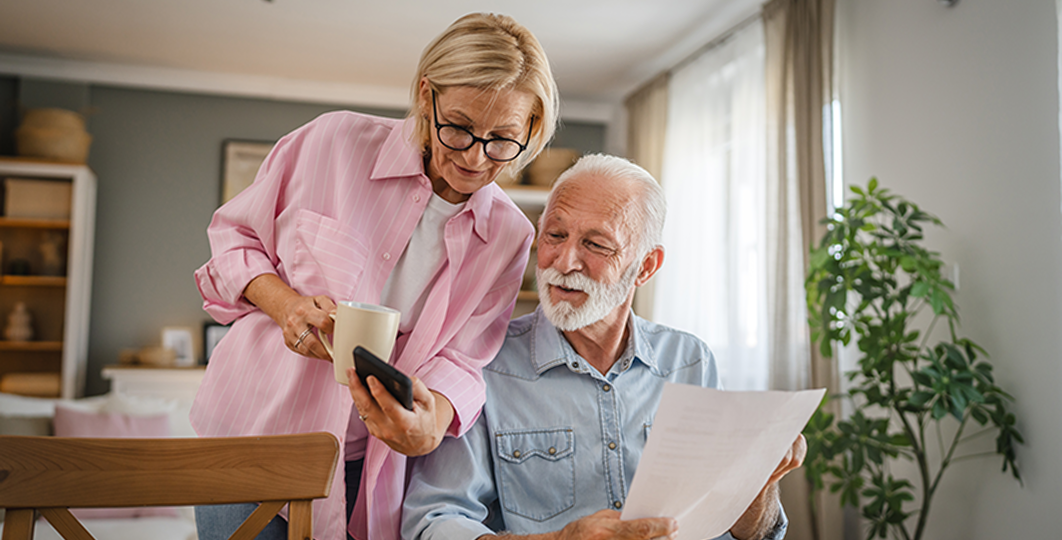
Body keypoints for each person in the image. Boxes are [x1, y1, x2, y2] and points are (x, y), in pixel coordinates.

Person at [190, 13, 558, 540]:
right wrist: (286, 305)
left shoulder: (507, 236)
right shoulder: (332, 142)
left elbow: (465, 358)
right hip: (252, 435)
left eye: (502, 140)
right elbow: (233, 242)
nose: (475, 158)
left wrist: (433, 424)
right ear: (426, 95)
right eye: (457, 127)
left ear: (532, 130)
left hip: (371, 467)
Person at [402, 154, 807, 540]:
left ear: (645, 267)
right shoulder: (482, 363)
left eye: (596, 245)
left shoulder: (690, 361)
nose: (564, 262)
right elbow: (433, 524)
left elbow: (748, 531)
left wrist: (760, 482)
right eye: (555, 235)